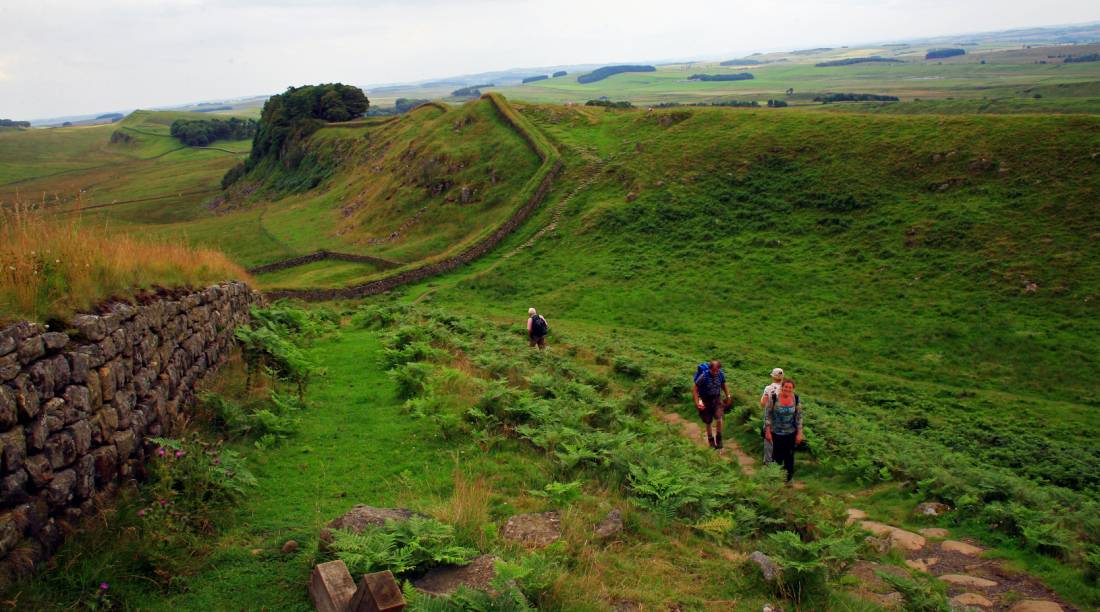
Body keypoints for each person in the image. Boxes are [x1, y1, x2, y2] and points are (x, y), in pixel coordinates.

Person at [764, 378, 804, 484]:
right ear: (782, 387)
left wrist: (800, 432)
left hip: (791, 432)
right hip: (776, 432)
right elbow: (768, 415)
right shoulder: (773, 398)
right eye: (785, 386)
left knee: (789, 456)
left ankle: (788, 479)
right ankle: (774, 478)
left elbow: (799, 417)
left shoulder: (796, 398)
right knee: (777, 456)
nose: (787, 389)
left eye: (790, 387)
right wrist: (767, 431)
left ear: (793, 389)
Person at [693, 360, 732, 450]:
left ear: (719, 369)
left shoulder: (720, 374)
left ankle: (719, 439)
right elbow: (695, 389)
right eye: (713, 370)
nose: (715, 372)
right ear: (710, 369)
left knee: (719, 418)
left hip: (717, 399)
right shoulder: (704, 376)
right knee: (708, 421)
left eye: (717, 370)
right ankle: (711, 441)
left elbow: (724, 385)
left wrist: (728, 396)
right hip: (705, 400)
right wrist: (697, 402)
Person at [759, 368, 785, 463]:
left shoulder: (768, 388)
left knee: (769, 439)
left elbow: (762, 403)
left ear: (773, 377)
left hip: (770, 417)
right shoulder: (786, 389)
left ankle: (768, 462)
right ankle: (779, 462)